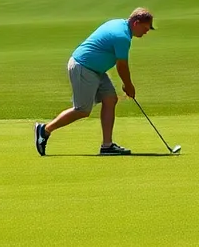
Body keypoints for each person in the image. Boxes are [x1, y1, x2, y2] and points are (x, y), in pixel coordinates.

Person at [34, 8, 155, 156]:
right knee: (82, 110)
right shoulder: (122, 36)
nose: (146, 32)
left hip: (94, 69)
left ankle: (107, 145)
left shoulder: (120, 25)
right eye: (145, 28)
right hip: (83, 67)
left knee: (110, 99)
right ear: (136, 23)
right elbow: (121, 65)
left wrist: (127, 85)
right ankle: (45, 130)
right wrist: (128, 85)